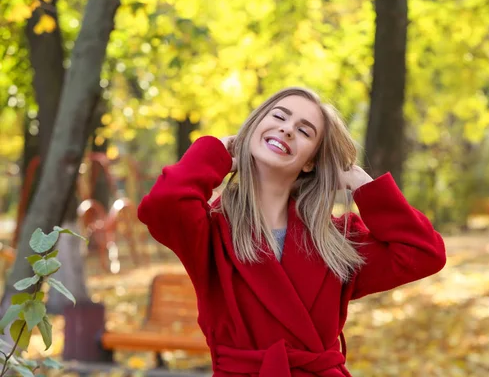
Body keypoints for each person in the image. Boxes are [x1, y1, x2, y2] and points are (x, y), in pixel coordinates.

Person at [138, 87, 446, 377]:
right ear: (255, 127)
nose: (287, 129)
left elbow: (424, 253)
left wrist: (360, 182)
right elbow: (163, 204)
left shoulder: (336, 240)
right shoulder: (210, 230)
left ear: (311, 160)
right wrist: (215, 152)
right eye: (279, 116)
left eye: (304, 130)